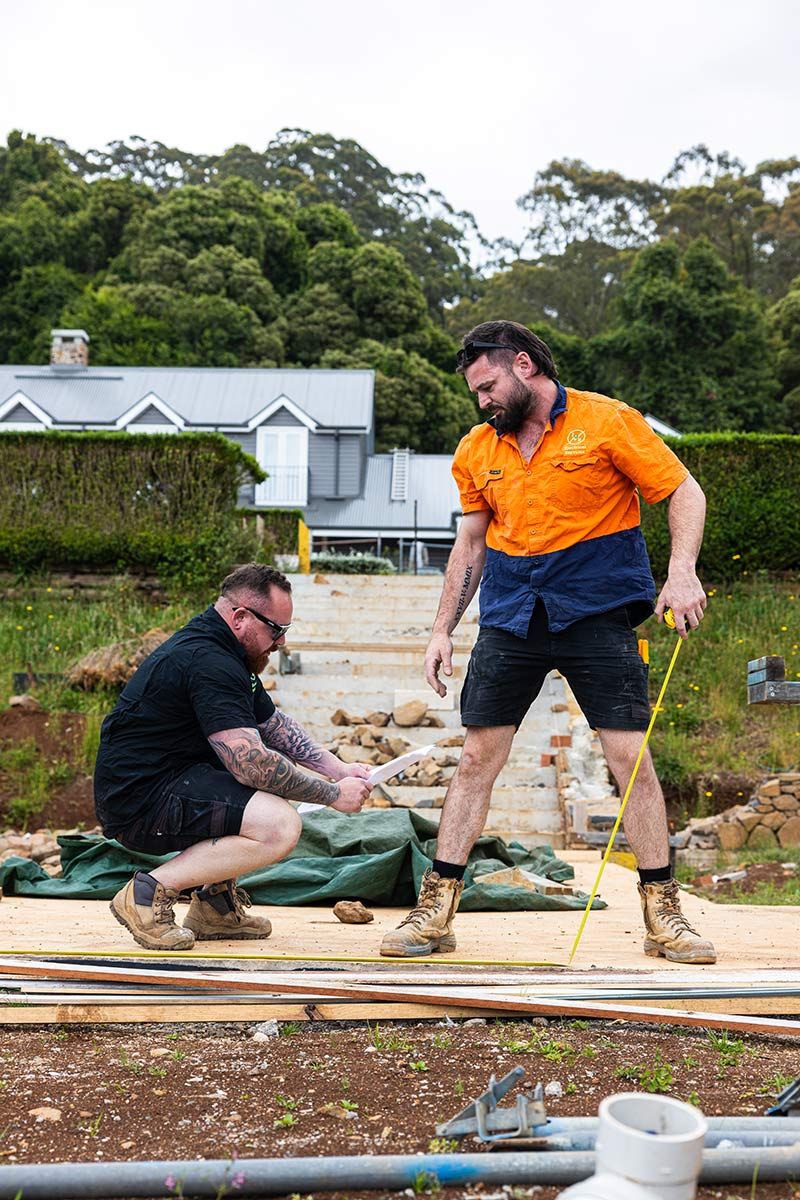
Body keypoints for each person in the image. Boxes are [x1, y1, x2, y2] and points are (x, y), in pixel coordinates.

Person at [380, 320, 716, 965]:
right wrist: (440, 630)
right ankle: (435, 911)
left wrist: (680, 574)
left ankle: (663, 913)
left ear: (525, 365)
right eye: (476, 392)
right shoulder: (477, 448)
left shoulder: (607, 421)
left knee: (629, 757)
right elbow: (472, 543)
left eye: (487, 386)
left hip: (596, 612)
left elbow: (683, 491)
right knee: (478, 758)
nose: (482, 401)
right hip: (511, 616)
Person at [94, 564, 372, 950]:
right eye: (276, 630)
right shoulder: (209, 660)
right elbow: (250, 763)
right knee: (278, 824)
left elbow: (274, 726)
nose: (280, 643)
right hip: (140, 799)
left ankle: (214, 907)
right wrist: (331, 794)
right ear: (240, 616)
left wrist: (339, 769)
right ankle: (146, 893)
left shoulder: (227, 653)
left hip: (172, 781)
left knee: (267, 795)